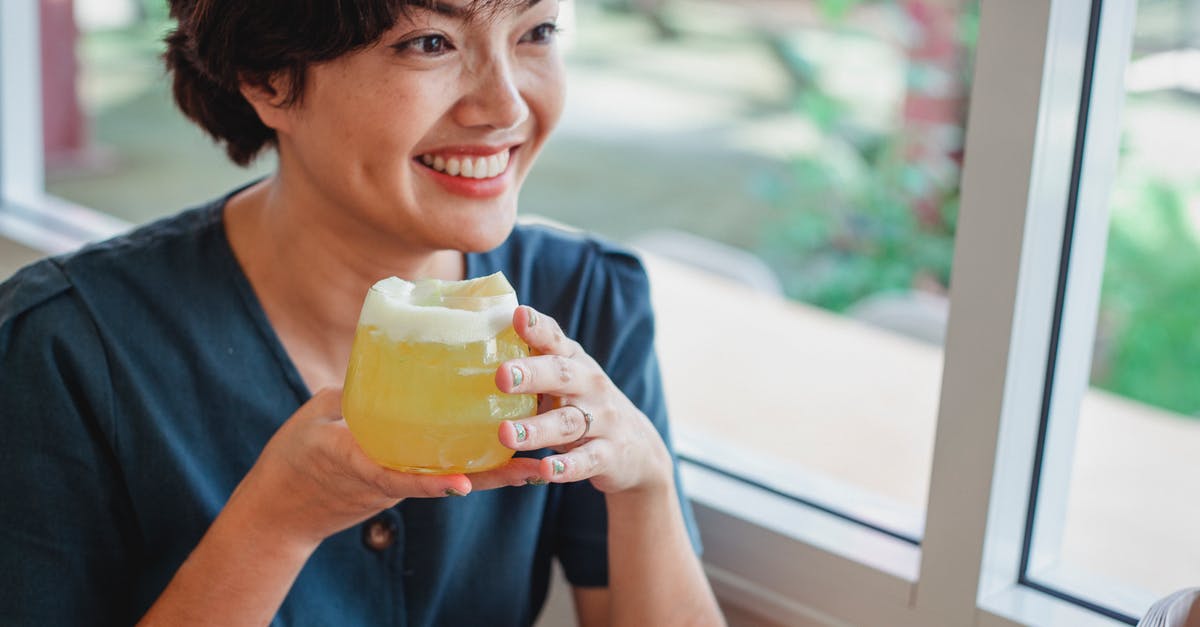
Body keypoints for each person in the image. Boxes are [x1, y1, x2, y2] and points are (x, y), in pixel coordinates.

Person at [0, 0, 723, 625]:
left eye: (536, 32)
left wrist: (648, 484)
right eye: (430, 43)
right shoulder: (64, 345)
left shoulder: (586, 300)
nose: (504, 107)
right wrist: (273, 527)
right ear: (267, 76)